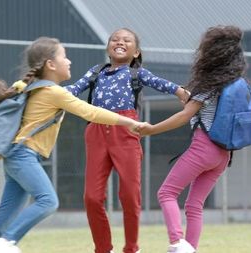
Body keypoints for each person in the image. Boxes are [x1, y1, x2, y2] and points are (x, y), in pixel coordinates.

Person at [0, 36, 145, 253]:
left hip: (16, 156)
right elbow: (90, 111)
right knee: (48, 201)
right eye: (64, 56)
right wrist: (127, 121)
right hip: (24, 155)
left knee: (2, 221)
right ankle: (6, 243)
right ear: (51, 65)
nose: (69, 61)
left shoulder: (35, 88)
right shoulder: (53, 92)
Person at [65, 28, 189, 253]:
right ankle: (103, 248)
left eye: (126, 40)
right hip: (96, 132)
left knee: (130, 195)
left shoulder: (136, 73)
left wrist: (180, 91)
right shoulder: (95, 72)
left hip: (126, 131)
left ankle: (131, 248)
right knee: (92, 197)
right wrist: (46, 93)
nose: (119, 42)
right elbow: (72, 90)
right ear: (108, 47)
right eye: (115, 39)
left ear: (136, 52)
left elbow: (160, 82)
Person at [136, 25, 247, 253]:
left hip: (203, 148)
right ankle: (191, 248)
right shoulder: (236, 84)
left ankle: (177, 242)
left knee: (166, 193)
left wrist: (152, 129)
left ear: (210, 53)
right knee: (194, 205)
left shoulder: (209, 83)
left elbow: (184, 115)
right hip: (223, 154)